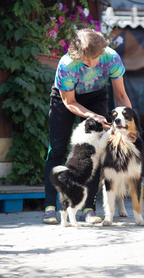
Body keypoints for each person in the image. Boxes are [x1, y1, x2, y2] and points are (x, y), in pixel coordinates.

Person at [42, 28, 132, 224]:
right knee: (57, 148)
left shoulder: (111, 58)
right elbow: (70, 102)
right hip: (66, 99)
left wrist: (129, 126)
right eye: (86, 61)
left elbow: (121, 95)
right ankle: (50, 206)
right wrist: (92, 116)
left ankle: (89, 208)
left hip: (96, 95)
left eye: (95, 59)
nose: (92, 64)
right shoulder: (66, 64)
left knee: (96, 151)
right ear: (77, 55)